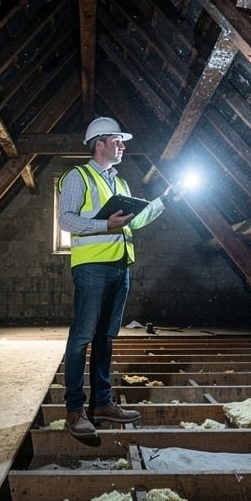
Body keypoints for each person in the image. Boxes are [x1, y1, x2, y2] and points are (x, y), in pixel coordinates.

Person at [57, 116, 177, 437]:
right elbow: (66, 221)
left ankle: (103, 404)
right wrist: (104, 225)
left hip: (120, 266)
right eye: (117, 141)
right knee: (82, 338)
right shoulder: (77, 177)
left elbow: (133, 223)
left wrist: (164, 201)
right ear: (99, 144)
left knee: (105, 338)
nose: (122, 146)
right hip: (92, 268)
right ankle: (73, 410)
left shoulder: (119, 183)